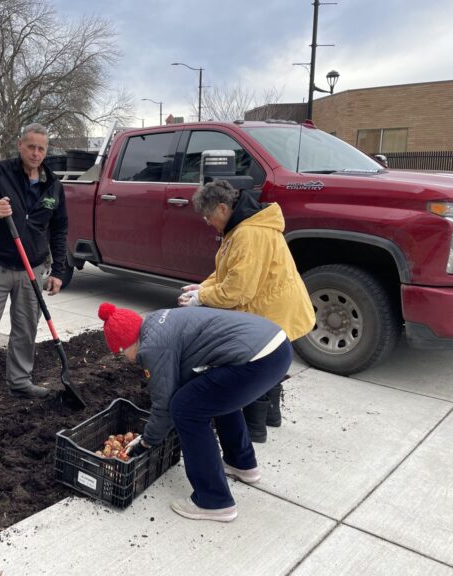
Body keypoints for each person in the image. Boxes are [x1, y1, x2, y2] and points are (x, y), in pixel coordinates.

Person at [98, 302, 292, 522]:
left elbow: (165, 405)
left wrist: (146, 442)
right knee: (211, 395)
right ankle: (241, 464)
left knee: (185, 408)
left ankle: (213, 501)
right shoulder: (157, 321)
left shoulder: (152, 348)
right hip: (276, 346)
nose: (128, 360)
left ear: (125, 345)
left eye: (123, 354)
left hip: (259, 360)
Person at [178, 179, 314, 442]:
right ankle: (271, 417)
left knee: (255, 366)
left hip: (273, 311)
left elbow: (237, 291)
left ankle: (254, 430)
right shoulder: (241, 227)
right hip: (273, 307)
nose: (207, 222)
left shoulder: (249, 234)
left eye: (207, 216)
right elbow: (227, 272)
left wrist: (200, 299)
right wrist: (201, 286)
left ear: (221, 209)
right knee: (272, 366)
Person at [0, 123, 68, 417]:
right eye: (31, 146)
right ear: (20, 145)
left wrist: (58, 270)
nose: (36, 153)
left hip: (31, 269)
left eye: (41, 148)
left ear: (46, 151)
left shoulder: (53, 185)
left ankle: (20, 381)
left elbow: (59, 231)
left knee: (25, 329)